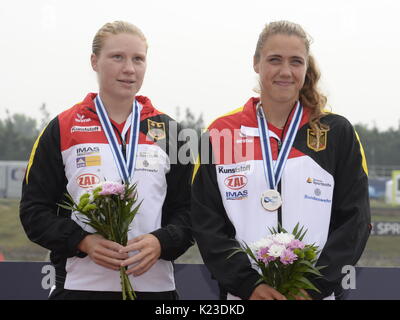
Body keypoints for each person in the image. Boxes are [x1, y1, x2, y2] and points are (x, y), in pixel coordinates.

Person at [191, 20, 371, 300]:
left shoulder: (337, 132)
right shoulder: (220, 132)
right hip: (245, 296)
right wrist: (248, 285)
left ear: (305, 68)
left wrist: (312, 286)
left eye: (296, 62)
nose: (285, 71)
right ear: (256, 63)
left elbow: (355, 221)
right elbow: (207, 222)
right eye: (275, 60)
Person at [20, 21, 193, 300]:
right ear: (94, 62)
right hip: (80, 287)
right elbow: (34, 211)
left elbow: (191, 212)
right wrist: (83, 241)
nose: (129, 68)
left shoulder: (171, 133)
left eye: (138, 59)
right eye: (117, 57)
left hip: (154, 288)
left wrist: (161, 242)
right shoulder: (63, 128)